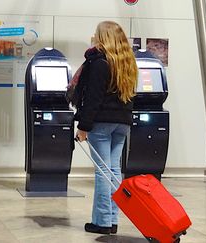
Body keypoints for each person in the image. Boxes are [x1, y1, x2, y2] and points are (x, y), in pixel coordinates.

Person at [71, 21, 138, 234]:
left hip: (102, 123)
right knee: (114, 171)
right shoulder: (127, 62)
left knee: (103, 172)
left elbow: (93, 98)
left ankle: (102, 222)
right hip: (122, 123)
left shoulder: (100, 62)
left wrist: (84, 126)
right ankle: (113, 219)